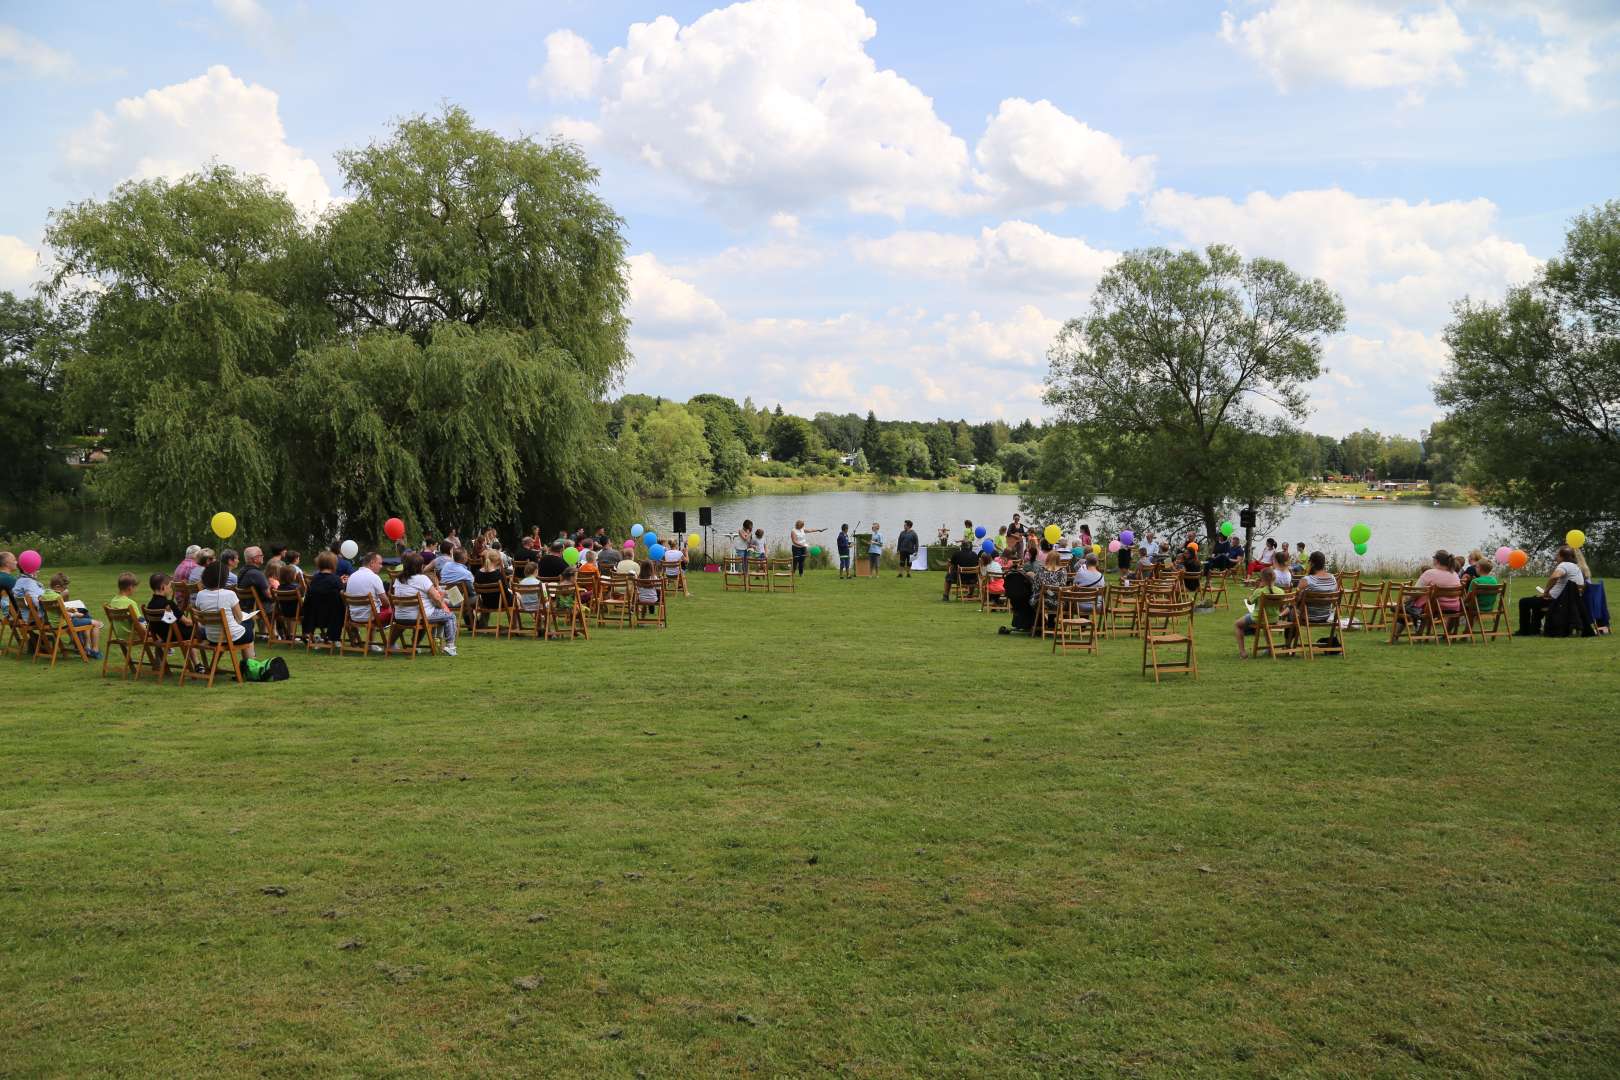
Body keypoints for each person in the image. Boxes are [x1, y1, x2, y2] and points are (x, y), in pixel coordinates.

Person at [392, 551, 457, 656]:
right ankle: (450, 646)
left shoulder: (398, 579)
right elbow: (436, 599)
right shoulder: (422, 579)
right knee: (450, 616)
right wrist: (444, 607)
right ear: (418, 566)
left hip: (400, 617)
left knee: (423, 617)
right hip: (419, 616)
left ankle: (415, 645)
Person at [192, 560, 255, 661]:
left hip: (211, 637)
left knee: (240, 625)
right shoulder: (230, 594)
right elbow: (239, 618)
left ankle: (246, 663)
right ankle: (249, 664)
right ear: (224, 578)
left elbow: (202, 620)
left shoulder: (200, 595)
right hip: (231, 637)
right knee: (249, 622)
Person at [1518, 545, 1586, 637]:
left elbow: (1555, 577)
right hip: (1570, 602)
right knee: (1536, 601)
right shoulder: (1576, 567)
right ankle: (1534, 630)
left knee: (1524, 602)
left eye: (1557, 555)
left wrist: (1546, 592)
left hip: (1557, 601)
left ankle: (1524, 631)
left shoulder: (1564, 565)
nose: (1555, 557)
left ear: (1562, 557)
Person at [1234, 567, 1286, 659]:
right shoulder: (1280, 591)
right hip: (1273, 619)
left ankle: (1242, 652)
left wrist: (1257, 587)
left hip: (1259, 618)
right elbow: (1281, 607)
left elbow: (1249, 602)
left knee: (1237, 624)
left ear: (1262, 579)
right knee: (1266, 624)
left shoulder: (1259, 591)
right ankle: (1269, 648)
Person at [345, 552, 390, 651]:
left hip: (353, 617)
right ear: (372, 563)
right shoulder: (374, 578)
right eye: (380, 563)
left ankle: (359, 642)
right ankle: (384, 644)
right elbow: (386, 603)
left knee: (374, 607)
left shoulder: (352, 576)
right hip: (371, 617)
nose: (381, 566)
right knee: (391, 611)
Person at [301, 552, 345, 645]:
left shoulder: (314, 580)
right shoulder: (336, 580)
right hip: (333, 617)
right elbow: (340, 595)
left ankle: (318, 636)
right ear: (334, 563)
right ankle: (333, 638)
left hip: (314, 617)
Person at [473, 548, 509, 627]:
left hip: (485, 603)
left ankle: (482, 626)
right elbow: (506, 592)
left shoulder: (478, 574)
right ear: (498, 560)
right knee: (515, 600)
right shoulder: (497, 574)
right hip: (500, 603)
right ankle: (515, 626)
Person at [238, 546, 272, 618]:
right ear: (255, 559)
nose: (263, 556)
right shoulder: (256, 574)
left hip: (243, 608)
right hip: (253, 609)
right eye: (261, 555)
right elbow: (269, 594)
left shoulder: (242, 571)